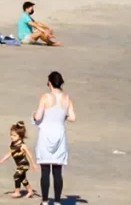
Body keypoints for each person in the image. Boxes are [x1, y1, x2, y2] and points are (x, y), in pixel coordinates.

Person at [32, 71, 75, 204]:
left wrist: (34, 115)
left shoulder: (45, 97)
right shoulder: (67, 98)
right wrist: (63, 116)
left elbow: (38, 116)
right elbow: (73, 118)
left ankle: (45, 201)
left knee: (45, 171)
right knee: (57, 171)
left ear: (49, 83)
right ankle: (57, 201)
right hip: (59, 135)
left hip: (46, 135)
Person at [0, 122, 34, 199]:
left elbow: (29, 155)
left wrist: (33, 164)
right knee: (23, 179)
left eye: (14, 135)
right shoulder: (13, 144)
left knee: (16, 176)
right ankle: (30, 191)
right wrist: (3, 159)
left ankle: (17, 192)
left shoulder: (22, 145)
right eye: (11, 135)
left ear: (20, 136)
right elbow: (10, 153)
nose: (12, 137)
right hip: (19, 165)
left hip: (24, 164)